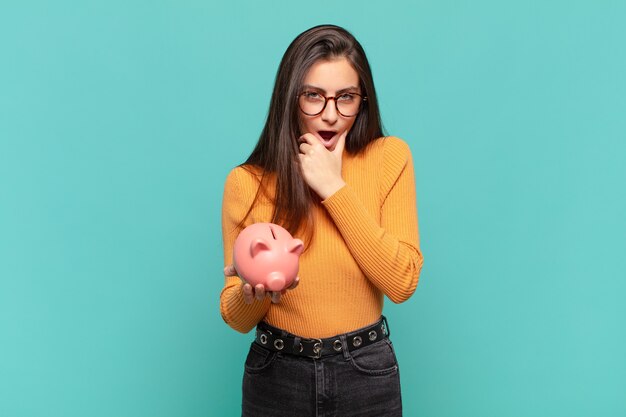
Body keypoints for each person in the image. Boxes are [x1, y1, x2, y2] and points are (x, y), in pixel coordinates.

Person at [220, 24, 423, 417]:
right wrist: (252, 294)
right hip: (277, 373)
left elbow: (402, 282)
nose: (331, 115)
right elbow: (234, 315)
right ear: (290, 97)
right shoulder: (248, 181)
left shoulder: (389, 158)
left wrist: (333, 187)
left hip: (365, 372)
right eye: (313, 96)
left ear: (363, 100)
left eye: (345, 97)